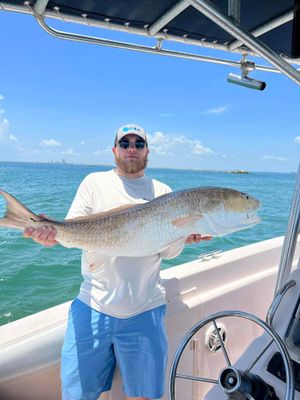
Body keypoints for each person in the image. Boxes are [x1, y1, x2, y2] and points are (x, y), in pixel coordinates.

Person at [24, 124, 210, 400]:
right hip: (92, 305)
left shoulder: (163, 191)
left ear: (148, 151)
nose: (131, 148)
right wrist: (50, 235)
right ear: (115, 150)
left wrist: (182, 238)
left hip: (146, 308)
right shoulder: (94, 183)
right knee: (77, 396)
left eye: (138, 143)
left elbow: (168, 254)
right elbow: (72, 232)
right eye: (125, 143)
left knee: (144, 396)